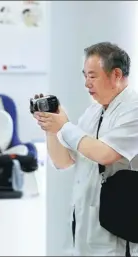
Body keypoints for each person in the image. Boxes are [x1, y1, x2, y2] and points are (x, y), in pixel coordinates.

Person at [33, 42, 138, 256]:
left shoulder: (134, 108)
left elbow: (104, 154)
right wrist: (51, 128)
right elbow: (63, 161)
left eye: (93, 76)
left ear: (116, 74)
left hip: (119, 229)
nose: (86, 84)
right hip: (85, 227)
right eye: (85, 76)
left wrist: (64, 126)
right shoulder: (93, 111)